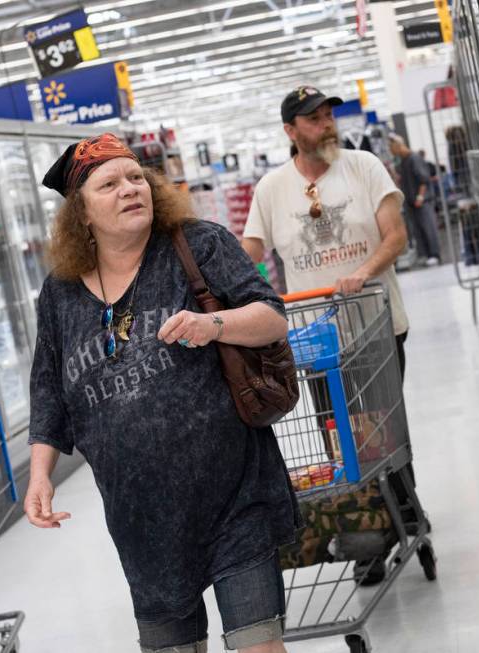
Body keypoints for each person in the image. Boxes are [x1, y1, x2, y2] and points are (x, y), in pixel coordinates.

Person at [24, 133, 300, 653]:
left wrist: (213, 324)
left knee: (259, 645)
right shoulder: (59, 293)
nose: (130, 189)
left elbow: (271, 318)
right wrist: (40, 474)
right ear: (81, 214)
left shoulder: (197, 244)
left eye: (136, 178)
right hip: (142, 521)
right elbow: (48, 391)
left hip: (234, 496)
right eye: (110, 184)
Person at [241, 86, 417, 586]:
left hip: (377, 328)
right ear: (291, 132)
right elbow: (250, 249)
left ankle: (399, 517)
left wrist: (363, 271)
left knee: (385, 432)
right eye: (313, 119)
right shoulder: (272, 188)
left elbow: (396, 235)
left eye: (327, 116)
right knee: (340, 440)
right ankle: (373, 534)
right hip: (317, 342)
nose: (325, 125)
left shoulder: (363, 167)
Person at [389, 135, 441, 267]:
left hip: (422, 201)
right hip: (411, 202)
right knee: (418, 230)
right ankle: (425, 255)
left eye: (392, 149)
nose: (392, 152)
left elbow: (423, 179)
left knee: (428, 228)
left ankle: (434, 254)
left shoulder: (414, 158)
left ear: (397, 146)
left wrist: (420, 197)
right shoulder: (403, 161)